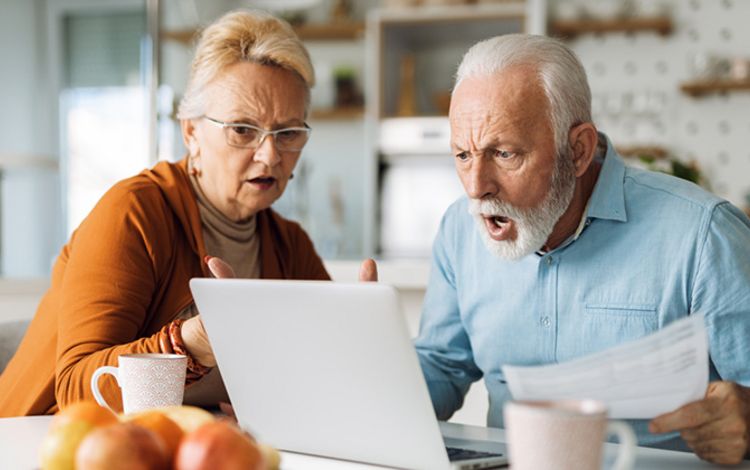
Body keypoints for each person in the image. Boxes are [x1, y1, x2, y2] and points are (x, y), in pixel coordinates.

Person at [0, 10, 374, 417]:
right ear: (192, 132)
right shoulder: (134, 212)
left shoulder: (290, 244)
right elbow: (76, 388)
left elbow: (318, 385)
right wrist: (191, 342)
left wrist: (360, 345)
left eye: (288, 134)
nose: (269, 155)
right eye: (243, 130)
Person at [413, 34, 750, 465]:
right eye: (462, 154)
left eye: (504, 153)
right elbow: (443, 366)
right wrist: (372, 374)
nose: (477, 187)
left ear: (578, 150)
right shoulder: (459, 232)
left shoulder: (705, 236)